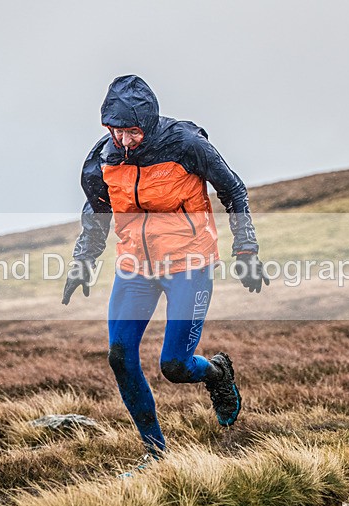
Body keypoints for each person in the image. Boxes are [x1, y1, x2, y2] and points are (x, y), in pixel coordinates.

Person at [62, 74, 268, 461]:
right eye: (115, 131)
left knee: (174, 365)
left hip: (188, 263)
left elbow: (233, 189)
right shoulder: (102, 158)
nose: (124, 141)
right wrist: (83, 261)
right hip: (135, 267)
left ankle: (216, 373)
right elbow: (97, 211)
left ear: (149, 122)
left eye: (133, 131)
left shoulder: (187, 145)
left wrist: (247, 249)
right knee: (119, 357)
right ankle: (155, 455)